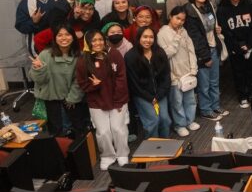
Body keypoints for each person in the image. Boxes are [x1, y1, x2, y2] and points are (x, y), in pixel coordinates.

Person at [75, 29, 130, 169]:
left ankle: (122, 154)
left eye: (100, 39)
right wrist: (93, 86)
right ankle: (107, 156)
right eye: (94, 40)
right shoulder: (83, 60)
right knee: (103, 131)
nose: (98, 43)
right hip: (96, 102)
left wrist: (119, 101)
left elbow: (121, 78)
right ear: (88, 43)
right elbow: (82, 84)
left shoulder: (114, 54)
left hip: (117, 99)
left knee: (118, 128)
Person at [30, 24, 88, 138]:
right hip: (52, 99)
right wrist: (38, 69)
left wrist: (72, 98)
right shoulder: (45, 54)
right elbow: (39, 81)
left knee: (78, 129)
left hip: (71, 100)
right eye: (60, 35)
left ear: (73, 37)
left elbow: (80, 80)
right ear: (55, 38)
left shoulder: (80, 55)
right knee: (57, 131)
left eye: (67, 34)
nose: (64, 38)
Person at [157, 6, 199, 137]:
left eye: (183, 19)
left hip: (187, 71)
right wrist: (176, 38)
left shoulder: (183, 31)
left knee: (190, 99)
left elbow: (190, 49)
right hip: (174, 74)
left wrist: (193, 67)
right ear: (170, 16)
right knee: (177, 102)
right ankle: (179, 125)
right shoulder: (162, 33)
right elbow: (166, 54)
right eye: (177, 18)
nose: (180, 22)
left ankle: (190, 120)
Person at [185, 0, 225, 121]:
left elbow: (213, 27)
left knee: (215, 81)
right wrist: (205, 56)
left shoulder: (209, 7)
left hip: (214, 48)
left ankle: (215, 106)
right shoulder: (190, 11)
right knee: (204, 84)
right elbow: (195, 37)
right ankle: (205, 109)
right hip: (202, 52)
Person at [217, 0, 252, 109]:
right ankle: (243, 96)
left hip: (251, 45)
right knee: (238, 73)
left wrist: (249, 45)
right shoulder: (222, 9)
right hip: (234, 47)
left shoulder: (250, 5)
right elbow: (225, 30)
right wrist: (237, 46)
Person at [124, 26, 172, 139]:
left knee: (165, 120)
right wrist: (150, 97)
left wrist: (159, 95)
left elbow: (166, 76)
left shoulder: (160, 52)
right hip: (142, 95)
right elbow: (133, 83)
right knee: (153, 121)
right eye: (145, 37)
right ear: (138, 38)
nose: (148, 40)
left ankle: (165, 145)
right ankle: (153, 148)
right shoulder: (130, 56)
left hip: (160, 94)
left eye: (151, 37)